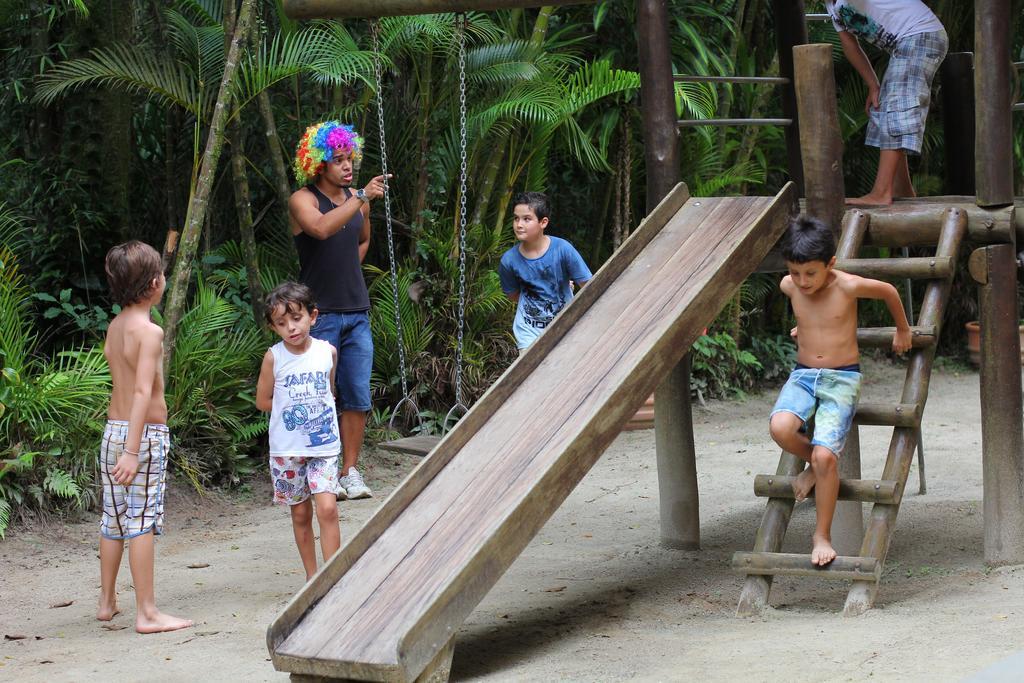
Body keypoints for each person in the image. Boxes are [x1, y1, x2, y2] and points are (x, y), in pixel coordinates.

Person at [768, 216, 912, 566]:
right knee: (780, 428)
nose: (802, 282)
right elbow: (811, 313)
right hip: (804, 375)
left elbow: (890, 291)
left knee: (825, 457)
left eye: (811, 274)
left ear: (830, 265)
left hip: (841, 379)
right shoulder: (790, 286)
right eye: (796, 273)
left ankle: (822, 534)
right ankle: (813, 468)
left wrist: (903, 330)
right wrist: (801, 327)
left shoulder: (847, 285)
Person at [289, 121, 388, 500]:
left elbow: (362, 241)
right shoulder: (304, 199)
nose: (347, 166)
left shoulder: (356, 200)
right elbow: (321, 229)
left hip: (357, 311)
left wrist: (347, 264)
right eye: (338, 160)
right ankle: (322, 469)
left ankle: (350, 471)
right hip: (320, 314)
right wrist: (361, 196)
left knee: (357, 395)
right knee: (319, 395)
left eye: (350, 159)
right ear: (318, 163)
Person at [98, 240, 192, 634]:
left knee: (113, 519)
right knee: (141, 521)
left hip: (111, 432)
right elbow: (142, 392)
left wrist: (122, 446)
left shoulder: (117, 325)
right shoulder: (149, 332)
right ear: (154, 283)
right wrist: (134, 451)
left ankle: (106, 602)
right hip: (142, 437)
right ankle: (147, 613)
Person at [256, 282, 342, 580]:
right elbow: (263, 401)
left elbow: (329, 391)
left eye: (296, 318)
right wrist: (293, 410)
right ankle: (312, 577)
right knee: (301, 513)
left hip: (324, 447)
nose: (291, 328)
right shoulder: (274, 357)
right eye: (281, 323)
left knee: (328, 509)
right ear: (274, 327)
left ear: (312, 316)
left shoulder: (326, 352)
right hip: (287, 450)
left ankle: (332, 577)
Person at [827, 1, 948, 206]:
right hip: (908, 43)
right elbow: (849, 45)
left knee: (898, 106)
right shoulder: (831, 6)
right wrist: (873, 85)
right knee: (885, 109)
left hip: (920, 35)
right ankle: (903, 190)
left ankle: (882, 193)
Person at [498, 192, 593, 352]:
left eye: (526, 219)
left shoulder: (563, 249)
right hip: (528, 331)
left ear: (543, 222)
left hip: (566, 325)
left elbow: (589, 286)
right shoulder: (508, 261)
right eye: (516, 218)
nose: (519, 224)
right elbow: (513, 295)